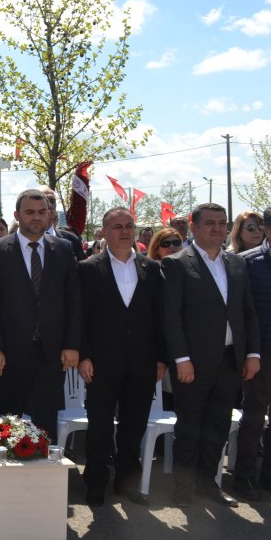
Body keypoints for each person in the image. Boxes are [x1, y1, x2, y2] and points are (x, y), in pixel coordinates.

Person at [161, 203, 260, 508]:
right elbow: (170, 317)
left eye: (222, 223)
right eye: (210, 223)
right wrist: (181, 359)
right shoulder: (177, 264)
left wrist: (252, 353)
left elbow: (248, 313)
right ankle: (183, 492)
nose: (218, 228)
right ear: (193, 227)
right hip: (193, 363)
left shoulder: (237, 264)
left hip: (231, 361)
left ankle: (209, 487)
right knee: (189, 429)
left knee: (217, 428)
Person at [77, 207, 165, 507]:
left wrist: (161, 358)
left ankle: (126, 481)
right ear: (104, 231)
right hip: (101, 363)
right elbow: (81, 318)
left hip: (142, 363)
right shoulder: (88, 268)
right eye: (117, 226)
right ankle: (95, 482)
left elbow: (159, 318)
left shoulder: (152, 269)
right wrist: (83, 356)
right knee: (100, 425)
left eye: (129, 225)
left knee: (134, 425)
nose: (124, 231)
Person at [0, 188, 81, 440]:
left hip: (51, 353)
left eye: (42, 212)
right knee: (8, 425)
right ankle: (7, 477)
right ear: (17, 215)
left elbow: (73, 301)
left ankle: (45, 476)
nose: (36, 217)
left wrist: (72, 345)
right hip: (8, 354)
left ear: (49, 214)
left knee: (47, 424)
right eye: (29, 212)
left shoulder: (64, 249)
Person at [235, 204, 271, 501]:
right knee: (254, 416)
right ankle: (243, 476)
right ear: (265, 230)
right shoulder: (248, 263)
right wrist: (250, 353)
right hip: (263, 354)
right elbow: (243, 314)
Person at [39, 186, 88, 261]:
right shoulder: (25, 239)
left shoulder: (71, 240)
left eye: (52, 201)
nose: (50, 205)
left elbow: (82, 270)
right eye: (45, 200)